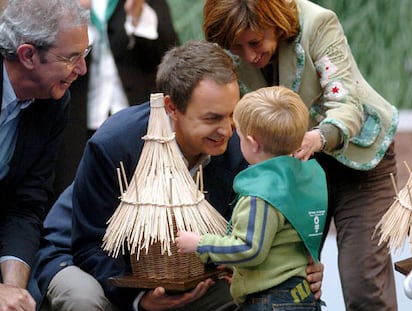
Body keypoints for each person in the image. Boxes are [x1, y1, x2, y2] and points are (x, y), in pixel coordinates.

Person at [31, 41, 324, 311]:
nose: (227, 130)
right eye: (212, 118)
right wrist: (139, 299)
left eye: (231, 114)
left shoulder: (244, 149)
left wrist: (300, 268)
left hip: (184, 272)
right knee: (85, 300)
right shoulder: (117, 143)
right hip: (87, 260)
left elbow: (262, 228)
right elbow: (90, 243)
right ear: (172, 107)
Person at [202, 0, 399, 310]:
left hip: (357, 160)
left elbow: (346, 104)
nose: (249, 56)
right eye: (236, 47)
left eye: (254, 42)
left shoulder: (318, 23)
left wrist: (318, 137)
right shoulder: (227, 41)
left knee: (364, 286)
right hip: (292, 168)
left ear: (275, 21)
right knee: (294, 280)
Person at [176, 85, 328, 309]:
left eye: (239, 137)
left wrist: (200, 244)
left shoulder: (261, 193)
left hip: (271, 299)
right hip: (301, 294)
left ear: (253, 142)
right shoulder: (301, 179)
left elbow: (250, 248)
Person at [0, 0, 90, 310]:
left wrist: (12, 290)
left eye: (85, 54)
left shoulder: (53, 101)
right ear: (27, 55)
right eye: (71, 58)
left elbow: (27, 202)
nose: (82, 69)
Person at [53, 0, 178, 198]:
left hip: (138, 117)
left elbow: (168, 55)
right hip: (79, 119)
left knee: (148, 193)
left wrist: (138, 16)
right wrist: (71, 15)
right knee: (79, 193)